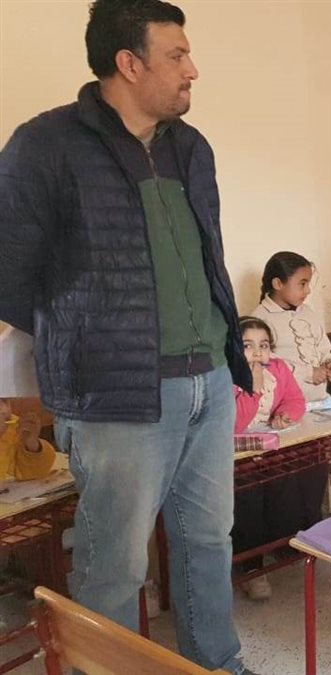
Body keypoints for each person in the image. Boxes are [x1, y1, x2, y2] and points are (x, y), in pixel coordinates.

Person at [0, 1, 255, 670]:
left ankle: (215, 663)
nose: (192, 69)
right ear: (129, 63)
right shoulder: (45, 146)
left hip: (210, 381)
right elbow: (10, 277)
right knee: (114, 563)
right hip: (117, 394)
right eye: (177, 55)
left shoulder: (190, 147)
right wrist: (80, 344)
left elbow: (206, 256)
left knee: (208, 541)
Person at [230, 317, 308, 601]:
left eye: (263, 345)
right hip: (237, 453)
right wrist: (254, 386)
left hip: (269, 444)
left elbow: (296, 400)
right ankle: (251, 567)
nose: (257, 353)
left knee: (305, 465)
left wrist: (285, 414)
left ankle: (286, 542)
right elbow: (236, 422)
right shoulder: (229, 374)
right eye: (248, 346)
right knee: (248, 490)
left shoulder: (278, 368)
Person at [250, 251, 331, 405]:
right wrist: (307, 373)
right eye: (302, 284)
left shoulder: (308, 312)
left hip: (319, 400)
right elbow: (267, 363)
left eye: (308, 284)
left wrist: (329, 363)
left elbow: (322, 347)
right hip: (284, 406)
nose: (308, 290)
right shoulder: (259, 320)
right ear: (278, 284)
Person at [0, 399, 57, 481]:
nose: (4, 410)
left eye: (4, 401)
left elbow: (29, 472)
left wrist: (31, 445)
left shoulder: (13, 428)